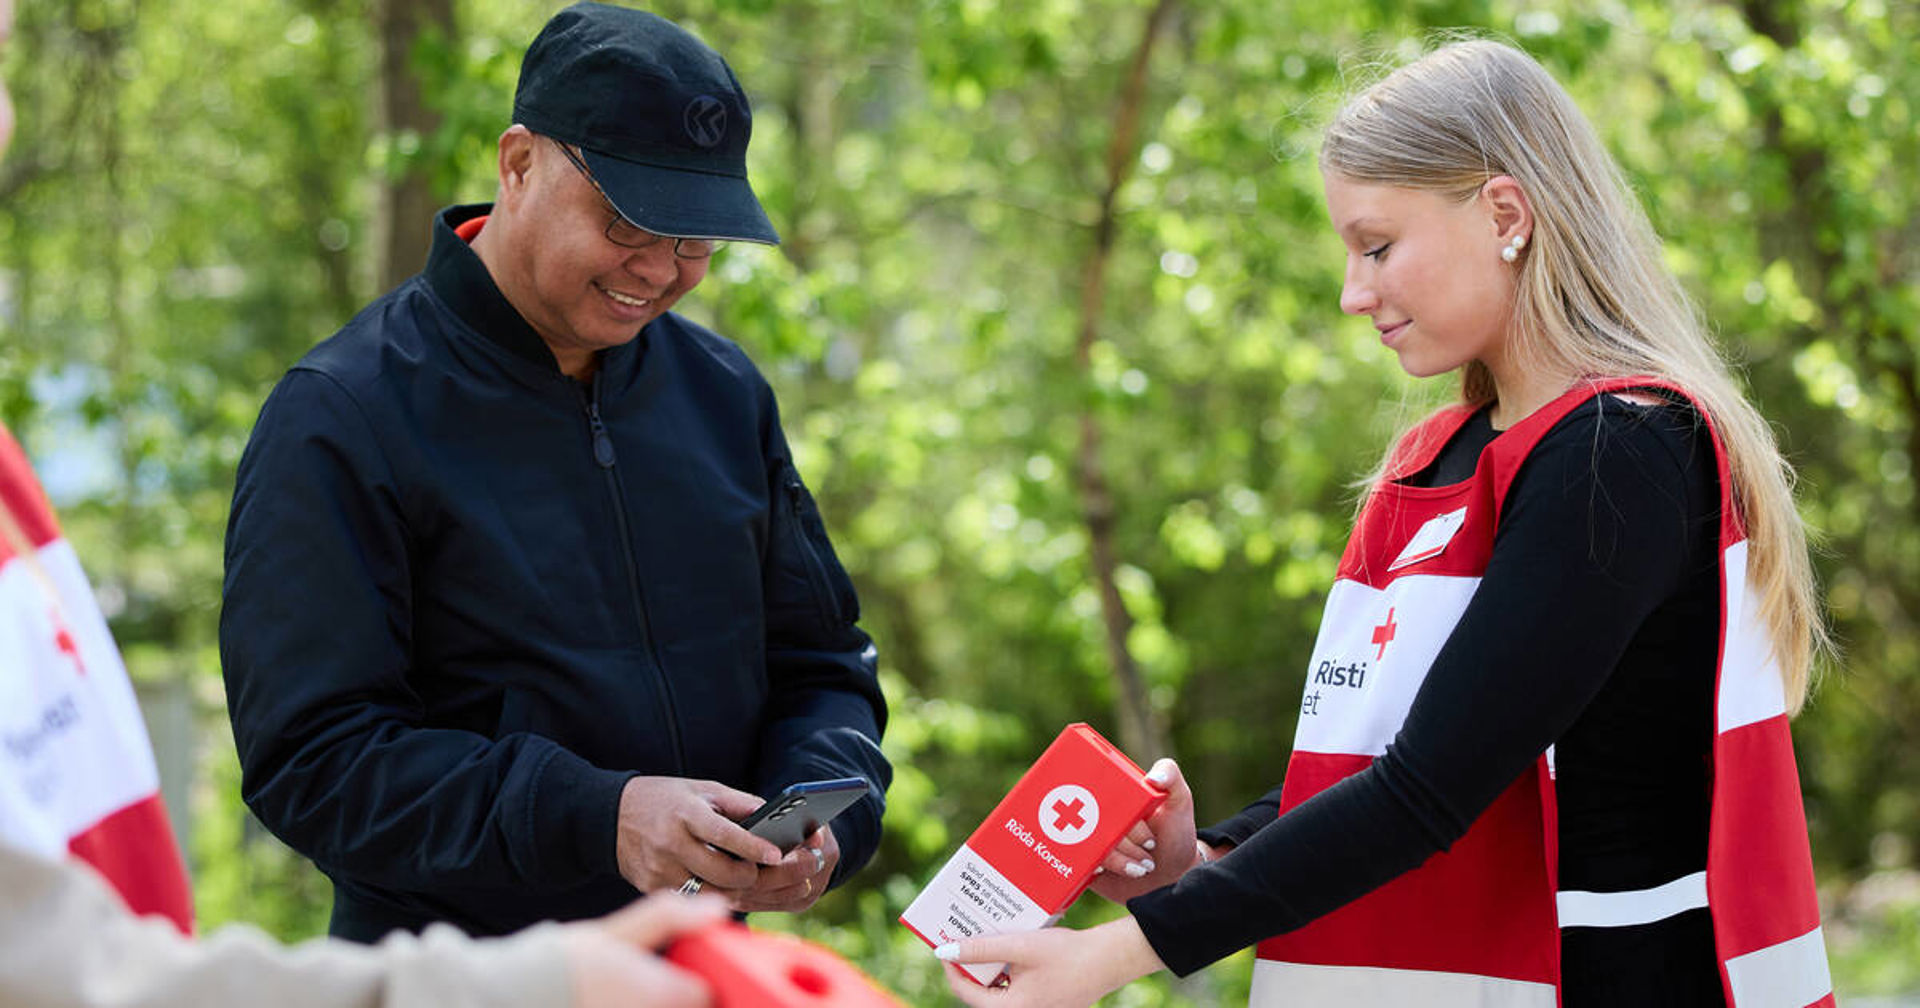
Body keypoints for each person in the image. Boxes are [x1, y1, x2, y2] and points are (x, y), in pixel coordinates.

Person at [938, 38, 1833, 1008]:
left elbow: (1426, 790)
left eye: (1377, 246)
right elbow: (1393, 755)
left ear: (1505, 214)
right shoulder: (1441, 459)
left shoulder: (1617, 452)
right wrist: (1210, 854)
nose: (1352, 294)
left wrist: (1114, 955)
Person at [219, 0, 889, 943]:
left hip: (695, 969)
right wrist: (597, 815)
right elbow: (313, 762)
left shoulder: (724, 392)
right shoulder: (343, 411)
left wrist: (827, 820)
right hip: (456, 983)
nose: (659, 272)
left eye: (696, 240)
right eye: (627, 224)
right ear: (520, 163)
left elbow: (823, 663)